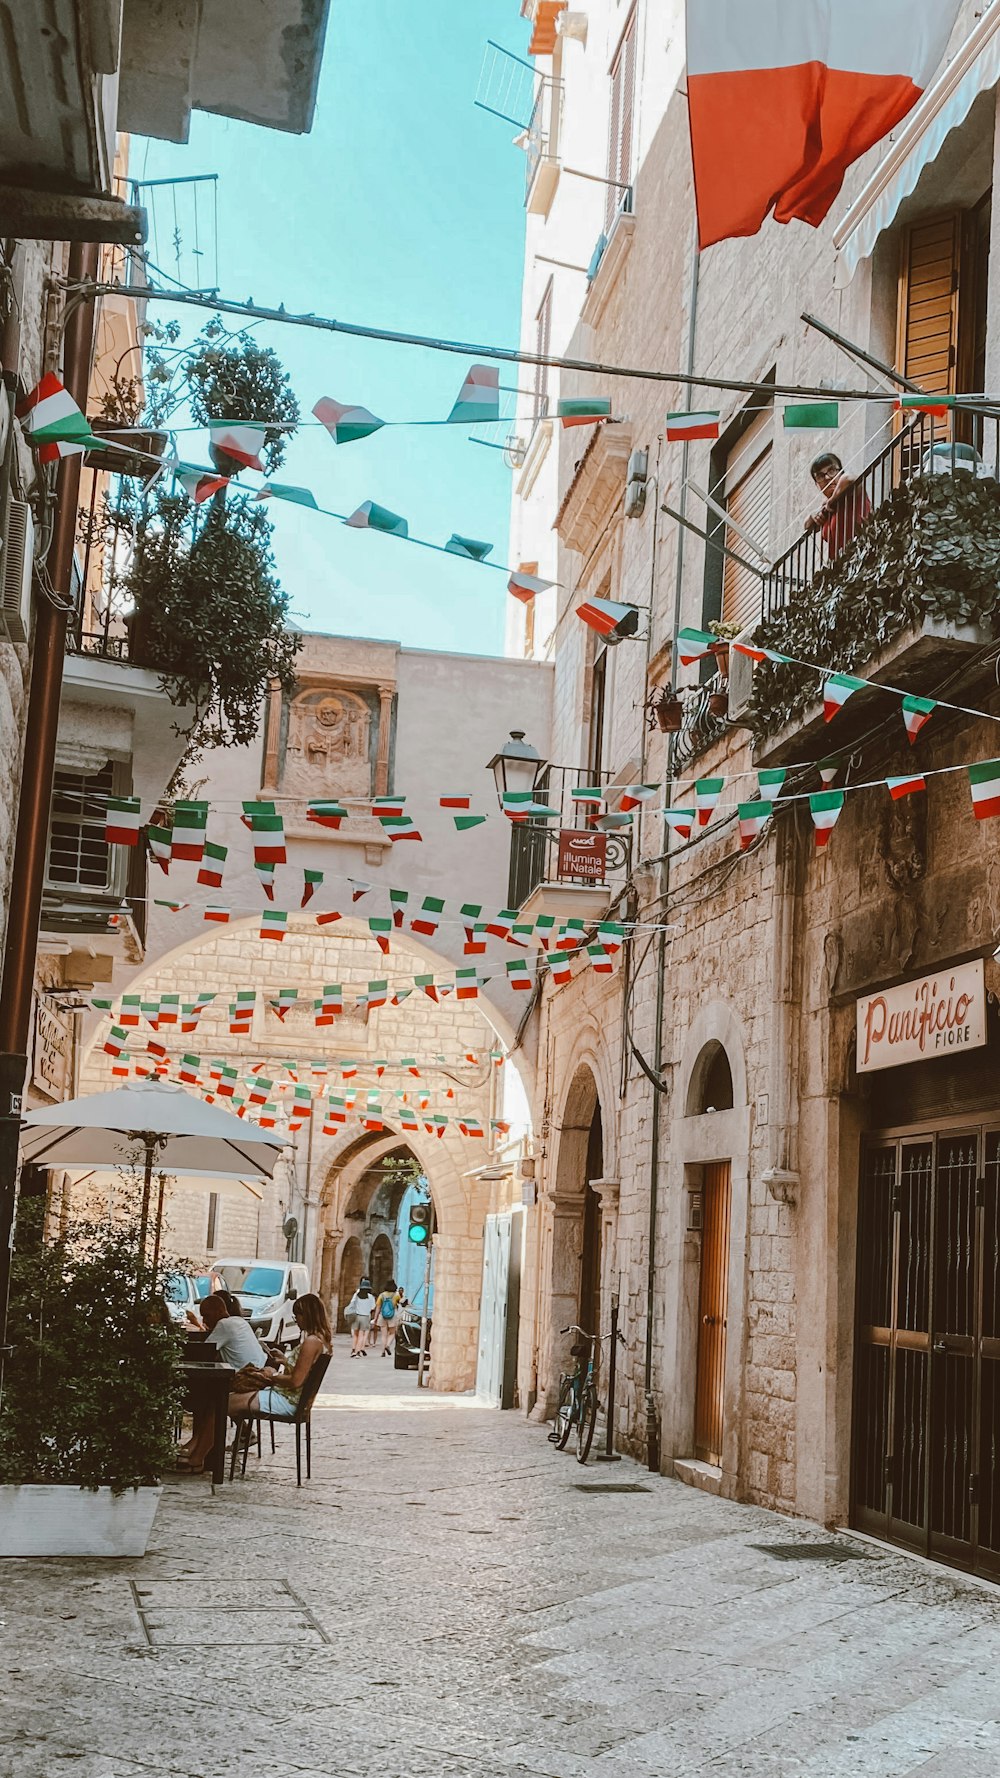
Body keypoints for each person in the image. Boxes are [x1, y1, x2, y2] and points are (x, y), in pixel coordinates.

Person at [176, 1295, 268, 1473]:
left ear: (219, 1311)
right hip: (257, 1375)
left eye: (207, 1316)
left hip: (247, 1380)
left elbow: (205, 1351)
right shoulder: (238, 1322)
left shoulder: (224, 1325)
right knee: (212, 1398)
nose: (205, 1320)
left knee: (213, 1401)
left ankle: (197, 1455)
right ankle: (196, 1446)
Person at [228, 1293, 332, 1423]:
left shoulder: (311, 1342)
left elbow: (296, 1381)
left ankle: (204, 1443)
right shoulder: (320, 1340)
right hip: (288, 1397)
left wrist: (272, 1375)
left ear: (307, 1316)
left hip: (286, 1400)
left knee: (224, 1403)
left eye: (297, 1316)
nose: (296, 1320)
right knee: (227, 1401)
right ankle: (208, 1441)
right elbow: (303, 1370)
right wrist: (284, 1360)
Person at [804, 452, 871, 557]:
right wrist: (812, 515)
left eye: (831, 471)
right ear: (817, 485)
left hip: (864, 556)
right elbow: (807, 525)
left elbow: (848, 479)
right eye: (820, 476)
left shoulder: (852, 491)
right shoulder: (826, 509)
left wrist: (833, 499)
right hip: (842, 567)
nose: (827, 477)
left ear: (840, 472)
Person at [344, 1278, 377, 1356]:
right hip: (365, 1317)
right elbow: (373, 1307)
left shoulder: (357, 1295)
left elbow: (352, 1303)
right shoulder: (371, 1297)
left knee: (355, 1334)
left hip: (356, 1316)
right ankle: (358, 1351)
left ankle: (353, 1349)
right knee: (361, 1334)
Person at [374, 1278, 400, 1356]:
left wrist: (375, 1318)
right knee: (392, 1333)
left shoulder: (382, 1295)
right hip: (393, 1315)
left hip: (383, 1315)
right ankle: (388, 1345)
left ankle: (382, 1352)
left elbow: (378, 1307)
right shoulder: (396, 1295)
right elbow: (402, 1303)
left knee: (383, 1335)